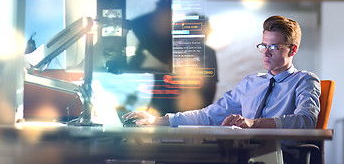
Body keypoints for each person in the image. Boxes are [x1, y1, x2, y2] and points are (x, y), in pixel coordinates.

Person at [123, 15, 320, 162]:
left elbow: (306, 121)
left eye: (274, 47)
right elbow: (210, 115)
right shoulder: (250, 82)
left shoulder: (305, 80)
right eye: (263, 46)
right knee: (171, 156)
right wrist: (158, 120)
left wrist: (253, 123)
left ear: (292, 49)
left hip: (279, 156)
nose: (266, 53)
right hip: (241, 154)